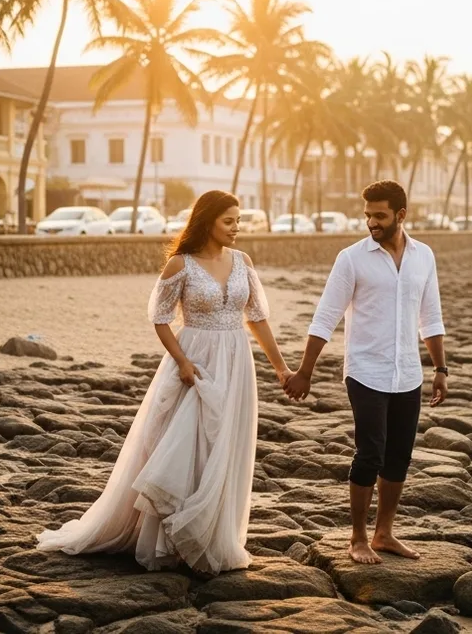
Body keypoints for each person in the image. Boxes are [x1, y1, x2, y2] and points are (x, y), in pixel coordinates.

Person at [37, 191, 289, 575]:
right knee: (185, 443)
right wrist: (182, 360)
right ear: (207, 222)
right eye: (229, 221)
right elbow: (160, 317)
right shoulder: (180, 265)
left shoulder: (243, 263)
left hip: (237, 361)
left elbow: (257, 319)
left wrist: (281, 368)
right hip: (194, 361)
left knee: (225, 444)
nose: (237, 228)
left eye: (238, 220)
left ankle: (211, 536)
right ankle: (171, 539)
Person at [283, 180, 448, 565]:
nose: (371, 222)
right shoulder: (351, 258)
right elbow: (326, 316)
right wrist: (305, 372)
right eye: (368, 215)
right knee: (370, 451)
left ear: (401, 215)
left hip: (407, 371)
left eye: (380, 215)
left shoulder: (424, 256)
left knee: (399, 456)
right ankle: (357, 537)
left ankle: (384, 534)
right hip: (364, 370)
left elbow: (431, 316)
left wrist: (440, 368)